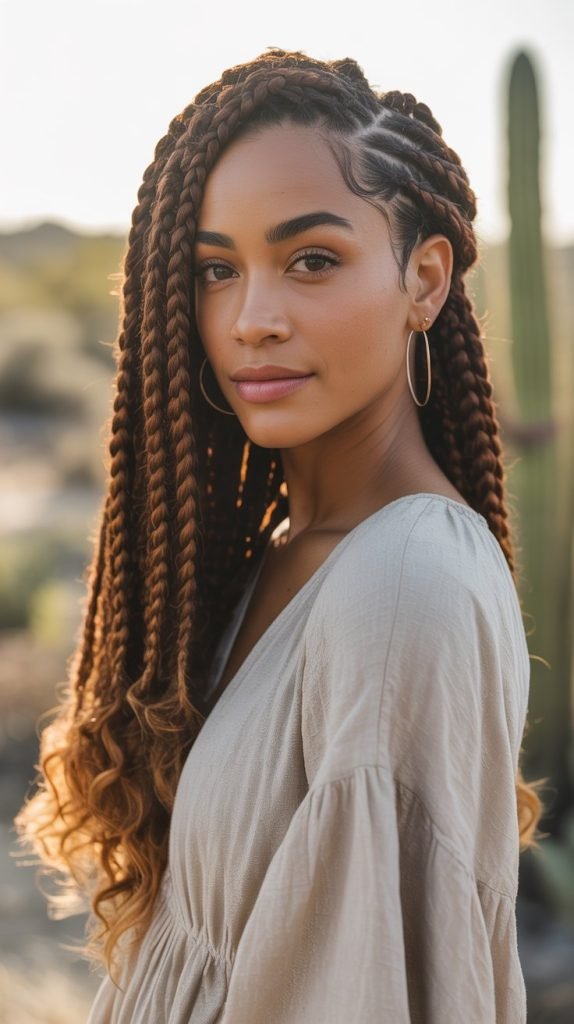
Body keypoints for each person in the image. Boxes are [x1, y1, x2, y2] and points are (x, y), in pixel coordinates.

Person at [16, 48, 544, 1023]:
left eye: (311, 260)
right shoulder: (294, 549)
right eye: (217, 269)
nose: (252, 319)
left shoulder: (402, 588)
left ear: (424, 280)